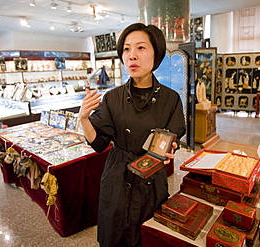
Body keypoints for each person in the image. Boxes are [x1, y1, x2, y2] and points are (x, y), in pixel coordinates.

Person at [78, 23, 186, 247]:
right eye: (126, 49)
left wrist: (170, 150)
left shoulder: (171, 99)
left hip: (151, 178)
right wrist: (84, 120)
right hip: (117, 176)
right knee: (114, 235)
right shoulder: (112, 98)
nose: (132, 55)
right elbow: (99, 144)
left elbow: (172, 138)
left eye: (141, 48)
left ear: (156, 53)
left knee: (147, 236)